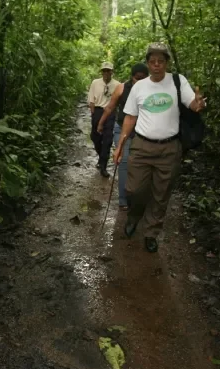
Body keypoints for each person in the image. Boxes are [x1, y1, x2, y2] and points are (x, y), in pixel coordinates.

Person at [113, 43, 206, 252]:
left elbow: (192, 102)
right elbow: (130, 117)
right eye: (152, 61)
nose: (156, 65)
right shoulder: (139, 86)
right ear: (148, 63)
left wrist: (197, 104)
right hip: (141, 146)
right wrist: (120, 145)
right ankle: (134, 216)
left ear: (166, 63)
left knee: (161, 193)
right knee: (134, 189)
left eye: (161, 61)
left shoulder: (177, 81)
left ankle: (151, 232)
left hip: (169, 148)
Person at [96, 62, 149, 210]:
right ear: (132, 77)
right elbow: (110, 107)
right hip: (122, 129)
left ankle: (138, 196)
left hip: (143, 131)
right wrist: (101, 123)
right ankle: (123, 200)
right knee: (124, 162)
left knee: (140, 165)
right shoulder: (122, 88)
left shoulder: (151, 89)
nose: (141, 81)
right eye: (138, 78)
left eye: (144, 78)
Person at [87, 62, 121, 177]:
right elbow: (91, 100)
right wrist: (93, 114)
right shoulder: (95, 83)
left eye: (108, 70)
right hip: (97, 110)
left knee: (107, 139)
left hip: (110, 113)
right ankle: (101, 157)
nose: (106, 73)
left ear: (112, 72)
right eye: (104, 71)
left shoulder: (117, 84)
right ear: (102, 72)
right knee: (95, 137)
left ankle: (103, 167)